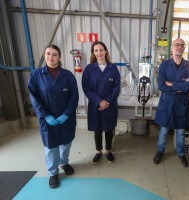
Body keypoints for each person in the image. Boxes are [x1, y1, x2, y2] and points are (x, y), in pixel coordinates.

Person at [28, 44, 79, 188]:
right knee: (51, 146)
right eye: (48, 54)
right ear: (45, 56)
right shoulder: (36, 75)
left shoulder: (68, 75)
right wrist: (45, 115)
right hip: (47, 119)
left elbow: (74, 97)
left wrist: (66, 114)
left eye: (55, 54)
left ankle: (64, 162)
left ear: (59, 57)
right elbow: (34, 97)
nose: (51, 57)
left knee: (66, 142)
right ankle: (53, 173)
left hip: (66, 118)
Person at [153, 38, 189, 167]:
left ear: (184, 48)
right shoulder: (164, 65)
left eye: (182, 45)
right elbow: (161, 85)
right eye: (177, 45)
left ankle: (181, 153)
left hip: (181, 104)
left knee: (180, 131)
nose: (179, 47)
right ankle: (160, 151)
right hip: (167, 103)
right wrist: (181, 87)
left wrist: (172, 84)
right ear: (172, 47)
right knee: (164, 130)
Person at [82, 41, 120, 164]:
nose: (99, 53)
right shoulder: (89, 69)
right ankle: (98, 151)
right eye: (96, 50)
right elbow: (86, 87)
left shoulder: (113, 69)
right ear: (93, 53)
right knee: (97, 129)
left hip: (110, 105)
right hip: (95, 106)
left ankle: (108, 150)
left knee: (109, 129)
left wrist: (107, 101)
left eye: (101, 50)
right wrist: (99, 101)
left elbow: (117, 87)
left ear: (106, 51)